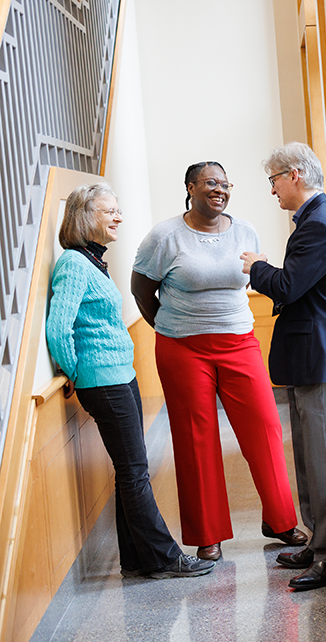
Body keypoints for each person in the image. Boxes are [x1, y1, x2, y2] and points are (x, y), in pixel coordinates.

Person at [131, 161, 307, 562]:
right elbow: (141, 289)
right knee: (196, 438)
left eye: (225, 183)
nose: (220, 189)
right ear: (190, 187)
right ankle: (207, 534)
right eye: (211, 183)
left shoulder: (244, 230)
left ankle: (280, 520)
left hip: (239, 343)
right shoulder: (165, 236)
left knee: (263, 427)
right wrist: (168, 327)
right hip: (182, 348)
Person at [46, 183, 214, 579]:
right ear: (86, 217)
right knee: (135, 471)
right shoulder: (72, 263)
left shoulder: (91, 262)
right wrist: (72, 371)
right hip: (102, 382)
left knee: (130, 471)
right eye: (110, 211)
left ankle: (136, 559)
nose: (118, 217)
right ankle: (165, 558)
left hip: (121, 377)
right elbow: (58, 328)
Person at [241, 142, 326, 590]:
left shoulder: (318, 224)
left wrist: (258, 266)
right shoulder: (311, 220)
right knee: (306, 457)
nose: (272, 191)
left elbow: (288, 286)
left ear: (296, 175)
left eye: (274, 180)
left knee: (321, 461)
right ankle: (316, 540)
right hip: (307, 356)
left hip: (318, 359)